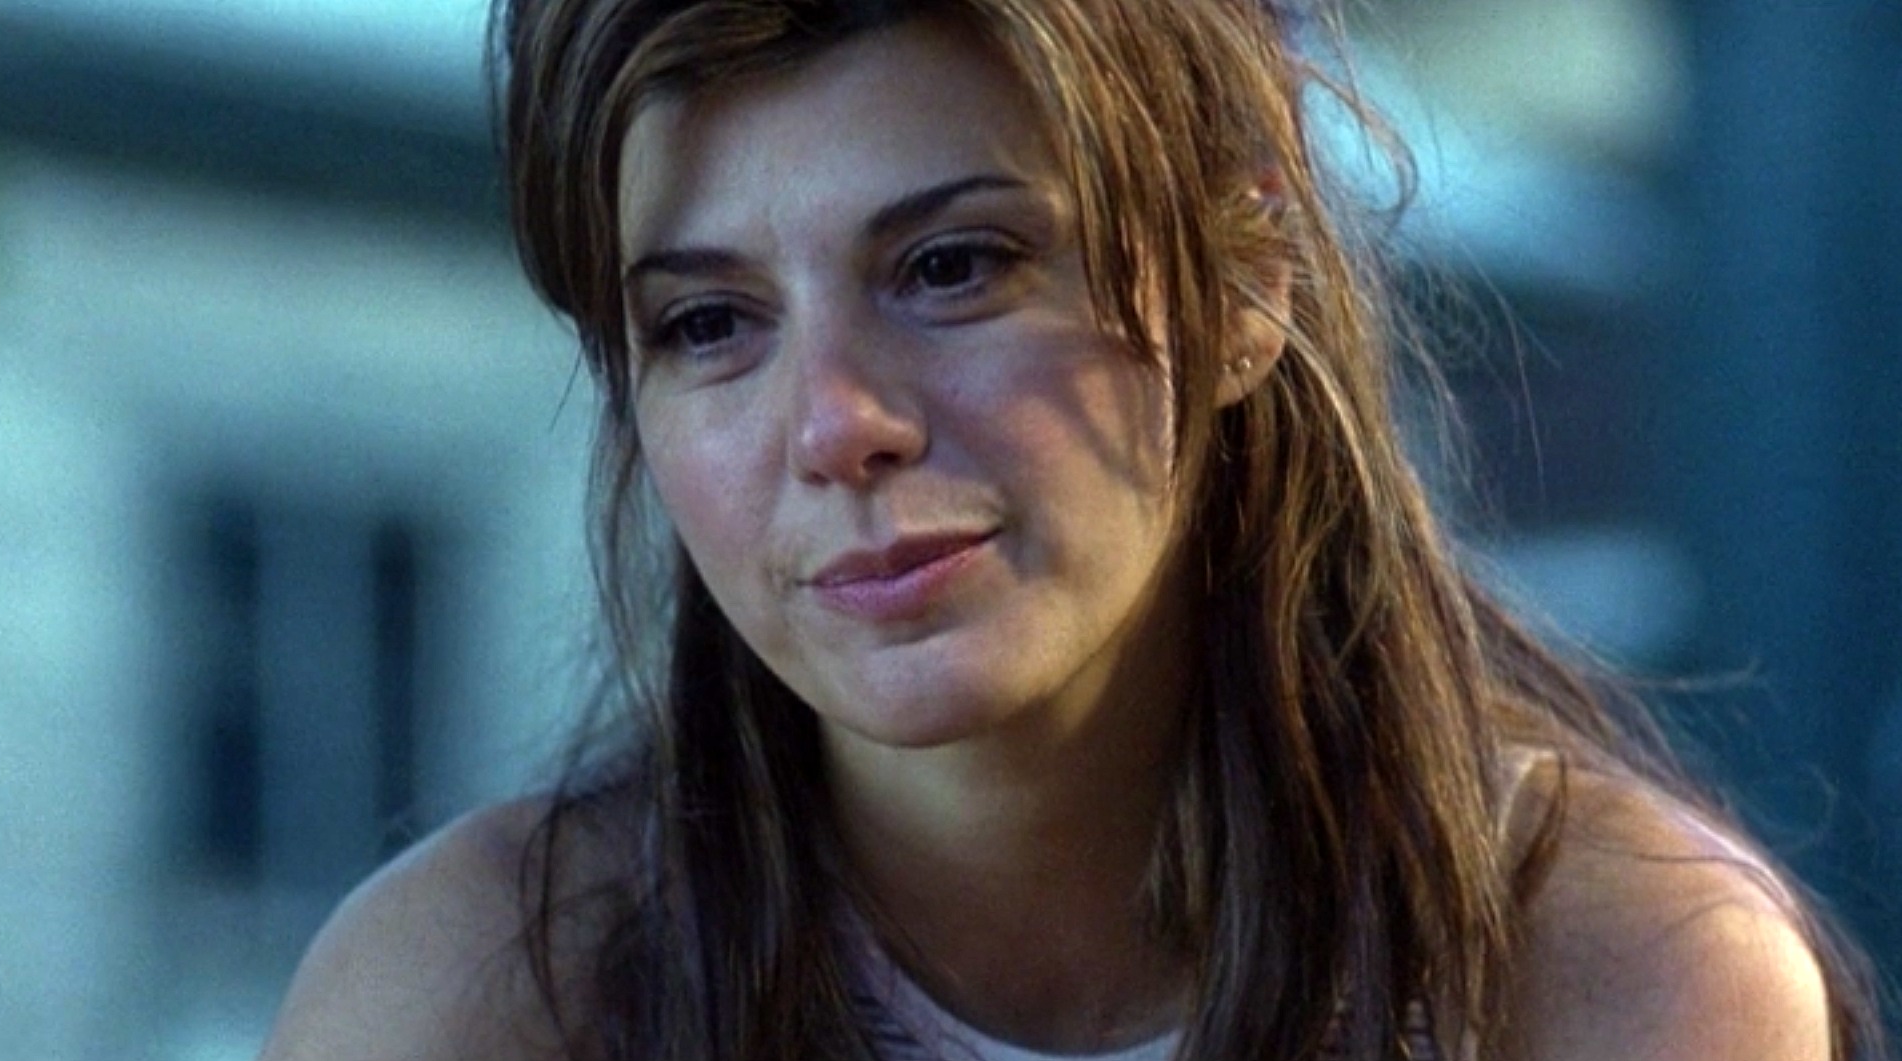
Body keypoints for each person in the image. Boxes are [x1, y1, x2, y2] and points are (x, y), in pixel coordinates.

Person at [258, 1, 1888, 1059]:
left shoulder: (1606, 981)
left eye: (951, 267)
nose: (836, 425)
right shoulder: (476, 1000)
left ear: (1244, 278)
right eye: (708, 324)